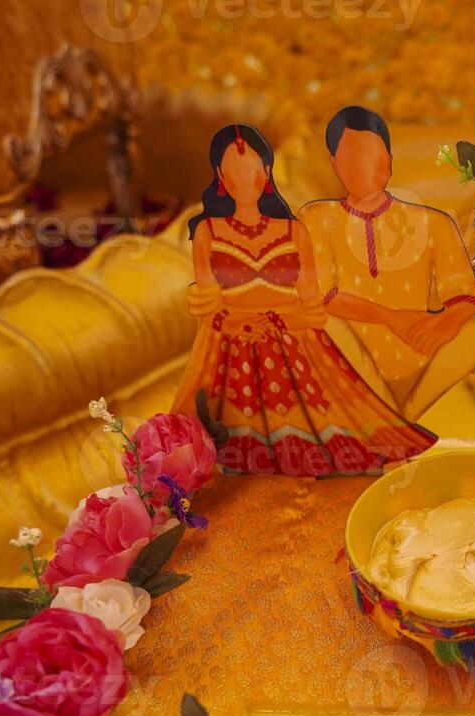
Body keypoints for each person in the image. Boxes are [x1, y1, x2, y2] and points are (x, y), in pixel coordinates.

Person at [169, 123, 435, 476]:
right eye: (234, 171)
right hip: (231, 353)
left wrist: (279, 322)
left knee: (329, 453)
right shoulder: (208, 232)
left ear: (266, 173)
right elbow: (208, 305)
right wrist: (241, 323)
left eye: (252, 170)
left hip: (295, 348)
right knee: (225, 465)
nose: (244, 180)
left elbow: (313, 308)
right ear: (220, 175)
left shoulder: (294, 231)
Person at [299, 106, 475, 421]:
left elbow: (466, 297)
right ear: (334, 164)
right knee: (322, 322)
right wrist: (390, 317)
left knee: (474, 332)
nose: (366, 166)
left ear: (388, 160)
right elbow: (322, 296)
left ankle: (398, 422)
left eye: (374, 155)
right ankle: (393, 425)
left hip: (416, 358)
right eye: (353, 157)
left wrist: (447, 321)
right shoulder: (316, 219)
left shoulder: (434, 223)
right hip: (349, 365)